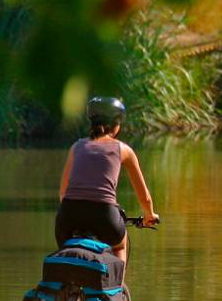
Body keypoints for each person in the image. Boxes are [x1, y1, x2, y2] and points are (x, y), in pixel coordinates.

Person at [57, 97, 159, 269]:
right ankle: (116, 289)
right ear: (116, 125)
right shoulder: (123, 149)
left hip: (68, 217)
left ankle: (67, 287)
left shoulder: (76, 147)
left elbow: (63, 193)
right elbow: (145, 198)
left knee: (67, 254)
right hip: (104, 216)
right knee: (120, 244)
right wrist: (149, 215)